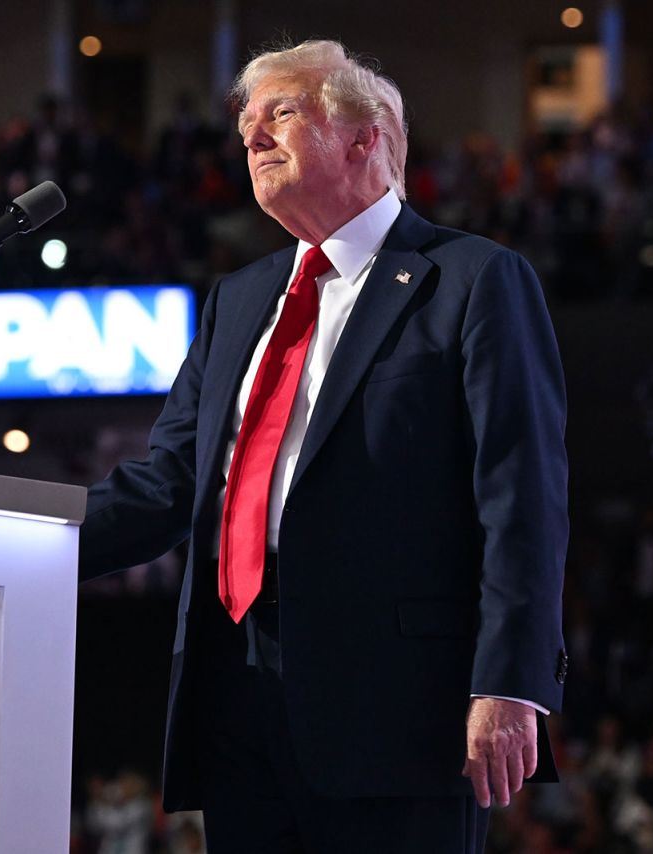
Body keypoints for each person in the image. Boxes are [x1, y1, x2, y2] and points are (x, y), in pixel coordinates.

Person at [79, 39, 568, 853]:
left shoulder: (474, 280)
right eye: (246, 127)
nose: (252, 138)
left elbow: (522, 496)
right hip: (236, 697)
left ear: (364, 137)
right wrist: (18, 539)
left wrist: (510, 682)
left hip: (396, 711)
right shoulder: (238, 300)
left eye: (281, 113)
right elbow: (168, 485)